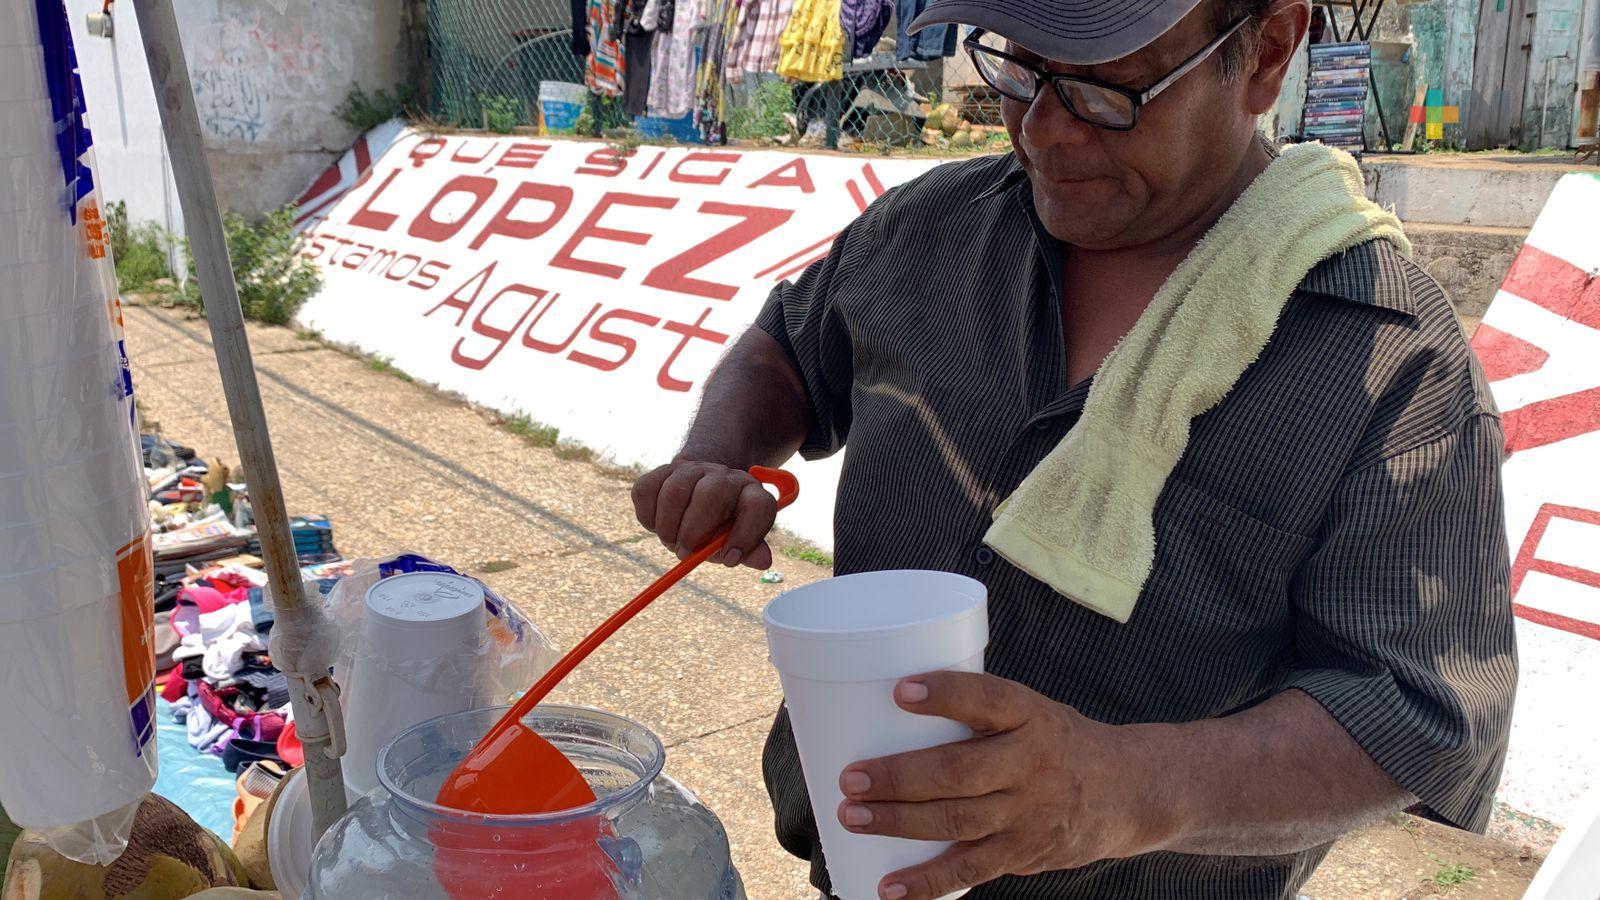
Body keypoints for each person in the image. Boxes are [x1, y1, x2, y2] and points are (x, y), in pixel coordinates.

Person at [630, 0, 1518, 897]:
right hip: (863, 867)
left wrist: (1123, 789)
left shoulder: (1395, 369)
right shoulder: (930, 232)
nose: (1044, 130)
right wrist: (718, 454)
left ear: (1268, 52)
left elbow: (1418, 713)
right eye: (1019, 67)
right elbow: (788, 342)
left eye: (1107, 89)